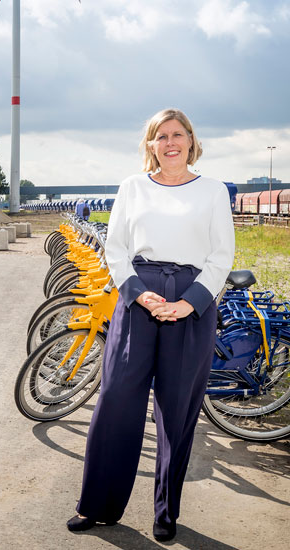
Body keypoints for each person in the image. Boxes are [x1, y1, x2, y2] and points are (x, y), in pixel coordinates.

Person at [66, 108, 234, 541]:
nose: (170, 142)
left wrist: (189, 303)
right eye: (161, 136)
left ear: (191, 141)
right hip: (138, 296)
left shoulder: (213, 191)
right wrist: (139, 293)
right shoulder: (132, 187)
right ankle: (97, 505)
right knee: (116, 400)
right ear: (150, 145)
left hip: (190, 302)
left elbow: (221, 256)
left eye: (178, 134)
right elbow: (116, 250)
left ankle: (166, 512)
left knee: (177, 412)